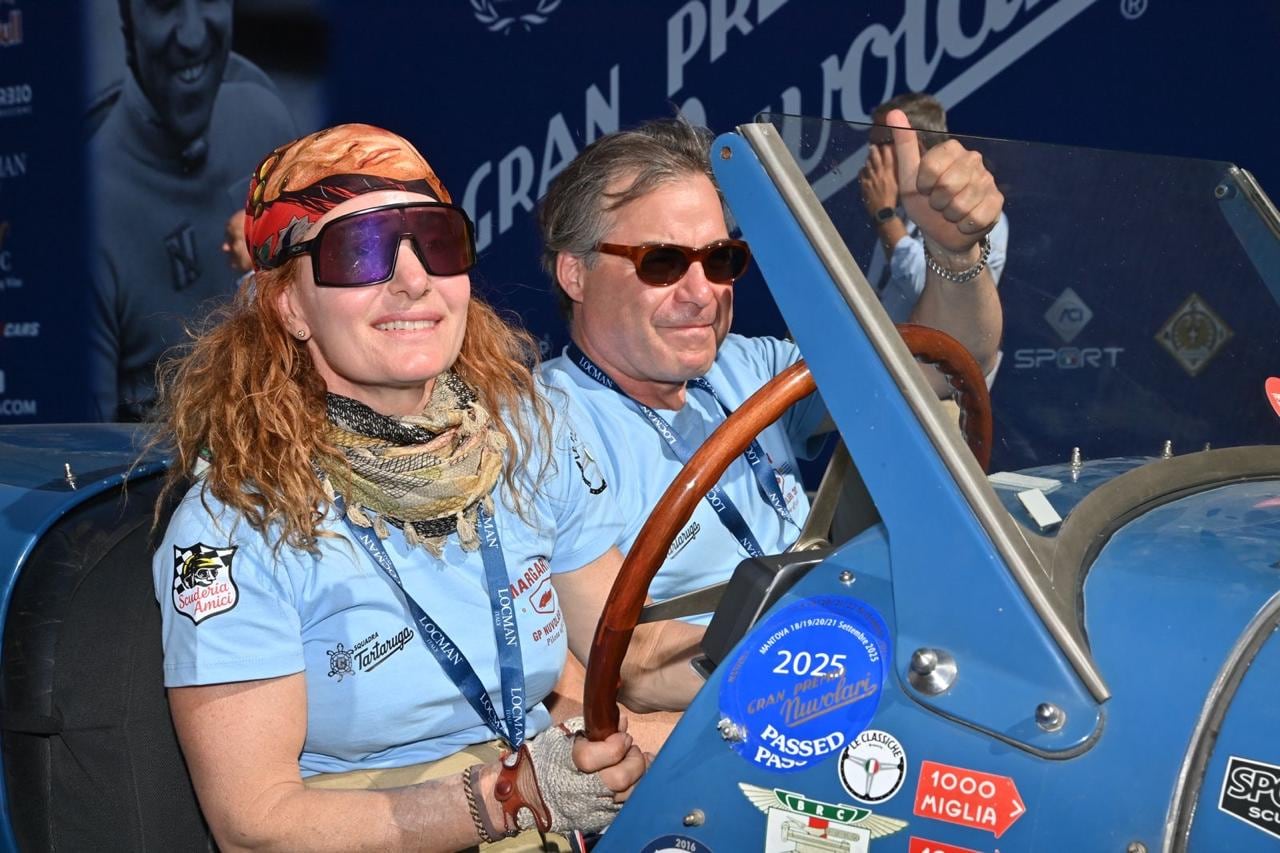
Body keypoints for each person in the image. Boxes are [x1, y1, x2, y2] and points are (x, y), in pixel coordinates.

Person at [150, 124, 700, 852]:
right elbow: (255, 825)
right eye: (363, 250)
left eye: (436, 243)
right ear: (288, 304)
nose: (414, 279)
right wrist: (508, 794)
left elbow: (604, 664)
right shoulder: (234, 524)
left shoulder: (518, 447)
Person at [538, 115, 1002, 614]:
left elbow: (938, 368)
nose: (702, 295)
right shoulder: (543, 429)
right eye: (663, 262)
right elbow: (633, 660)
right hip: (725, 682)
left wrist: (953, 254)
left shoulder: (749, 365)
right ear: (575, 275)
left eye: (720, 260)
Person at [89, 0, 297, 421]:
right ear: (128, 25)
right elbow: (85, 457)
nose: (192, 35)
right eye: (164, 6)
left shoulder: (263, 115)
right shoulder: (89, 207)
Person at [861, 92, 1010, 341]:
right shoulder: (896, 213)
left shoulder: (978, 215)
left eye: (879, 146)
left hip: (934, 372)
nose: (871, 157)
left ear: (911, 148)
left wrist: (884, 217)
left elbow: (932, 290)